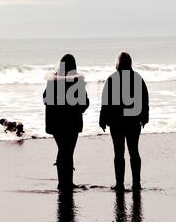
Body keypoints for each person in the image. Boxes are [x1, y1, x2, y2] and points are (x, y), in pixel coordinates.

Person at [99, 52, 149, 191]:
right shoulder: (137, 78)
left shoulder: (112, 79)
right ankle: (136, 183)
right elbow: (145, 100)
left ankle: (119, 184)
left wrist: (103, 119)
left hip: (116, 122)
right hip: (133, 122)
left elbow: (105, 102)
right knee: (134, 152)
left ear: (118, 63)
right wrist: (145, 117)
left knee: (119, 153)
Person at [43, 54, 89, 190]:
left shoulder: (53, 80)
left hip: (55, 123)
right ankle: (65, 183)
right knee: (67, 152)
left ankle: (64, 182)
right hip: (72, 123)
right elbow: (84, 104)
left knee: (63, 150)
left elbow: (45, 99)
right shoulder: (76, 81)